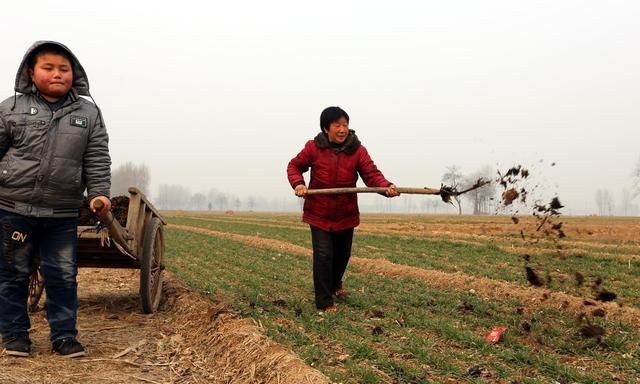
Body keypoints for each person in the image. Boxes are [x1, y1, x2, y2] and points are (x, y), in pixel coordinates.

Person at [0, 41, 111, 358]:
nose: (57, 74)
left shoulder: (88, 114)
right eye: (48, 67)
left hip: (61, 214)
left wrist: (99, 194)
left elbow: (97, 159)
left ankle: (64, 337)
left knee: (62, 276)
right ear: (31, 73)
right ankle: (14, 335)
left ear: (74, 74)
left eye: (64, 68)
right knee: (13, 273)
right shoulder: (11, 108)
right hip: (13, 209)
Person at [287, 106, 399, 313]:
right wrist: (299, 185)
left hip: (345, 213)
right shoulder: (313, 147)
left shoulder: (357, 150)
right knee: (323, 255)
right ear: (325, 128)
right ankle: (324, 301)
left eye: (345, 125)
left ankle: (335, 284)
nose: (342, 129)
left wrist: (386, 187)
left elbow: (371, 174)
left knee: (342, 255)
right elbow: (294, 166)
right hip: (319, 213)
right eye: (337, 125)